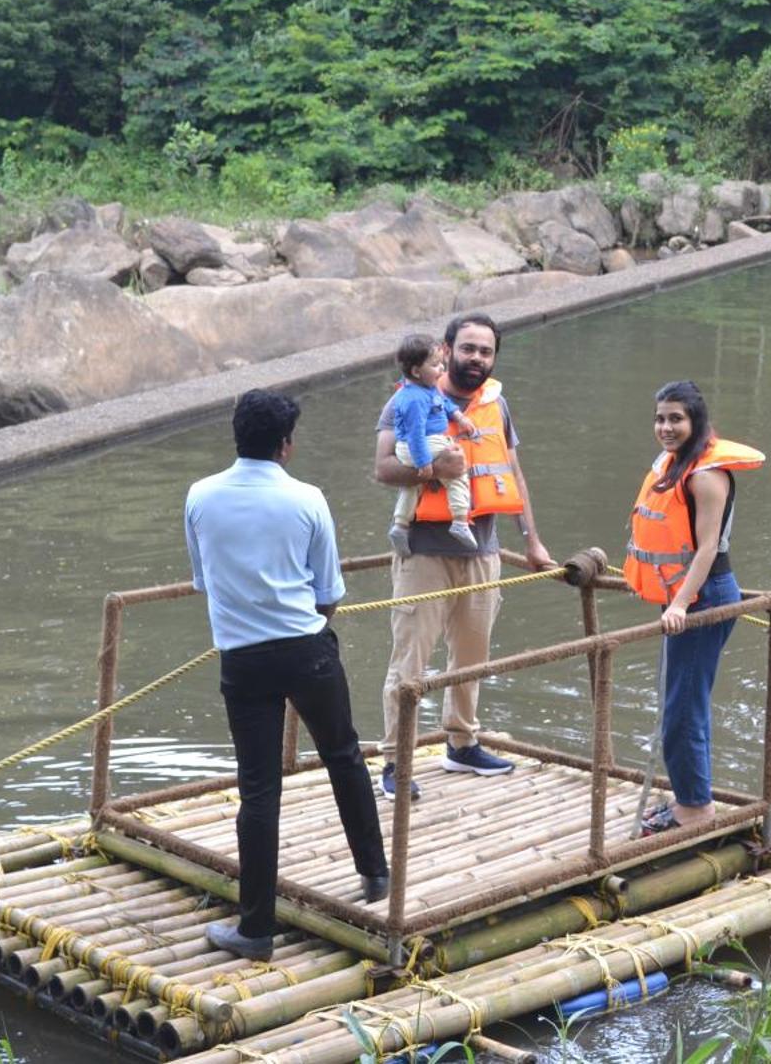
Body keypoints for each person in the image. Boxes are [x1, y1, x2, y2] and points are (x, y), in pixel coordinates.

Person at [187, 389, 389, 961]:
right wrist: (304, 628)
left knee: (258, 787)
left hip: (243, 658)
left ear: (235, 434)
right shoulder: (308, 499)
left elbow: (204, 581)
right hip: (307, 649)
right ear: (286, 444)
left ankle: (256, 930)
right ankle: (375, 875)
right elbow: (329, 592)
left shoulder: (200, 496)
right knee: (343, 755)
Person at [371, 312, 557, 800]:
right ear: (445, 350)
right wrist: (433, 468)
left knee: (473, 656)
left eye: (486, 351)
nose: (476, 358)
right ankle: (395, 760)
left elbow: (513, 473)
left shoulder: (496, 404)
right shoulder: (406, 399)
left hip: (483, 551)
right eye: (467, 348)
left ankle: (462, 741)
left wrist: (533, 541)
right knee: (410, 661)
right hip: (424, 553)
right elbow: (384, 468)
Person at [622, 380, 763, 834]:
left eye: (676, 418)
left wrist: (680, 603)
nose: (666, 427)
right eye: (660, 418)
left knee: (685, 708)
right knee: (678, 704)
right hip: (683, 597)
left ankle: (696, 810)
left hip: (706, 597)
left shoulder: (706, 475)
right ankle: (688, 800)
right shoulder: (673, 464)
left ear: (695, 421)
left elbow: (705, 549)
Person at [385, 333, 480, 555]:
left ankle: (400, 525)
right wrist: (424, 462)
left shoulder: (428, 389)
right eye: (436, 365)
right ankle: (459, 519)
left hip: (414, 446)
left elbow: (444, 403)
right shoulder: (414, 399)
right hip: (421, 444)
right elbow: (415, 432)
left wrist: (458, 416)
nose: (442, 369)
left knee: (411, 486)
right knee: (457, 469)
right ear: (417, 371)